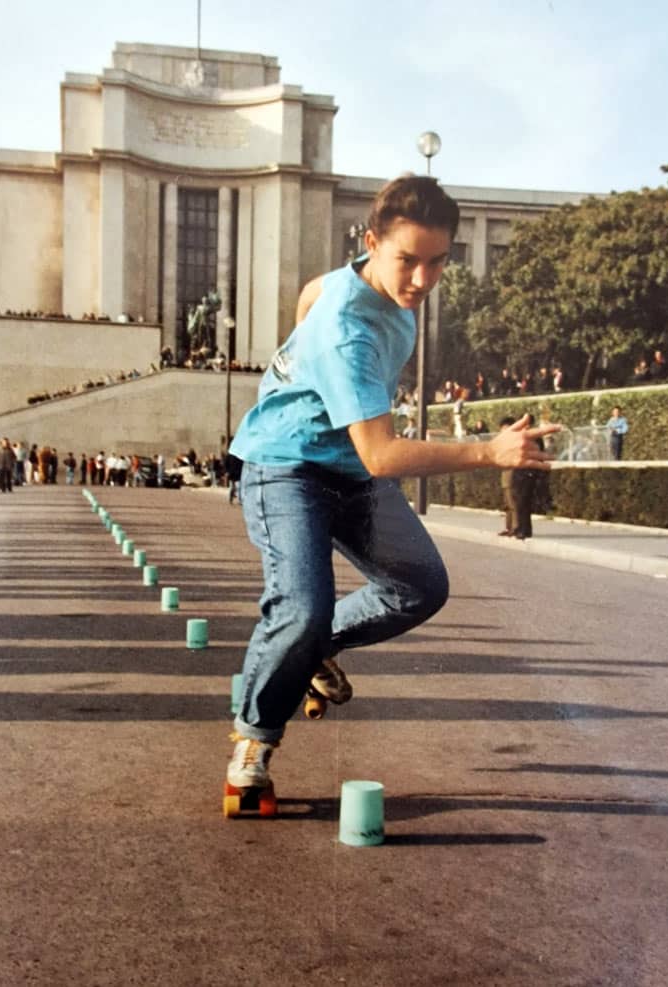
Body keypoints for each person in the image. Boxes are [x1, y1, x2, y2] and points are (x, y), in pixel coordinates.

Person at [225, 174, 558, 792]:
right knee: (299, 607)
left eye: (437, 263)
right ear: (373, 242)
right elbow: (380, 454)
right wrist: (489, 452)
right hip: (285, 465)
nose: (422, 281)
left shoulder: (354, 282)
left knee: (419, 584)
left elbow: (308, 295)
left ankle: (307, 648)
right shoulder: (348, 330)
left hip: (346, 467)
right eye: (408, 261)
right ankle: (254, 739)